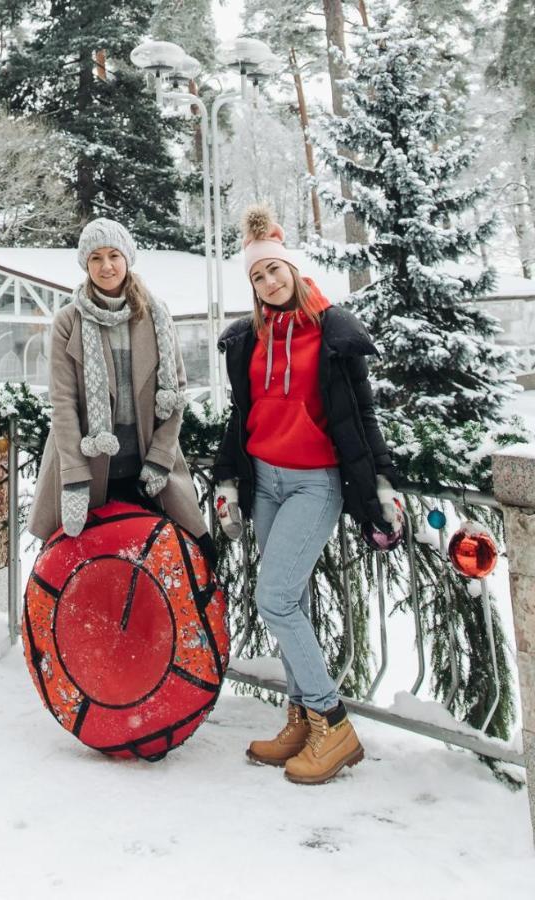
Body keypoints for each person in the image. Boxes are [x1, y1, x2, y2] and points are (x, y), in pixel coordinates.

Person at [213, 204, 403, 785]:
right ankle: (300, 720)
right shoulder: (248, 339)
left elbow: (361, 415)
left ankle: (333, 721)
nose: (269, 283)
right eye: (257, 277)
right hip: (265, 480)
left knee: (273, 599)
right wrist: (227, 479)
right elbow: (240, 417)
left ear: (291, 268)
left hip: (315, 483)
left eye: (274, 271)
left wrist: (382, 479)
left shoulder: (334, 330)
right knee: (287, 600)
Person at [27, 218, 215, 566]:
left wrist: (160, 458)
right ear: (86, 264)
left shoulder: (156, 314)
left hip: (146, 464)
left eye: (114, 255)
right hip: (88, 466)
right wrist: (74, 478)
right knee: (77, 573)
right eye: (96, 258)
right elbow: (63, 403)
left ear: (128, 258)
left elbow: (176, 392)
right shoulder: (69, 321)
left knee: (172, 564)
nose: (106, 266)